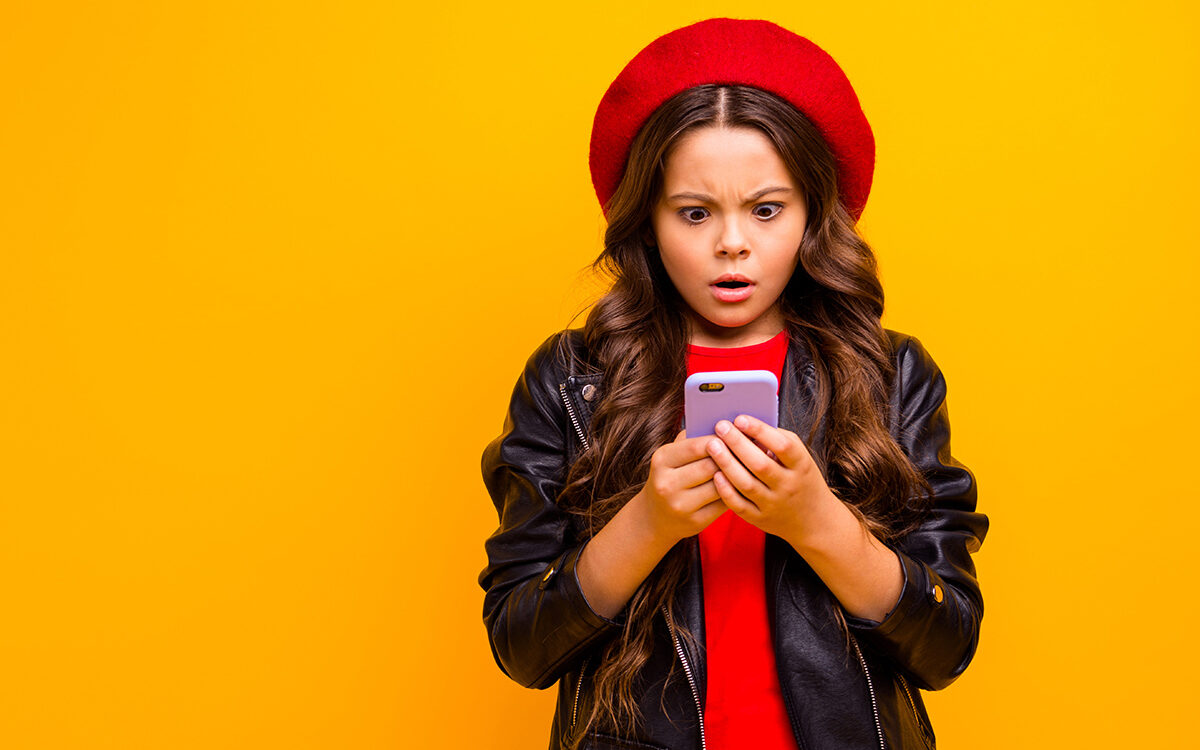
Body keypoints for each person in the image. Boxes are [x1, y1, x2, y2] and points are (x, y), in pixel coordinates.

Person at [478, 18, 988, 750]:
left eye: (766, 209)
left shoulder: (890, 374)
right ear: (647, 222)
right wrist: (648, 524)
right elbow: (521, 647)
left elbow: (947, 646)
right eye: (694, 213)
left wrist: (815, 521)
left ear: (814, 215)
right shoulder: (570, 381)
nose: (732, 243)